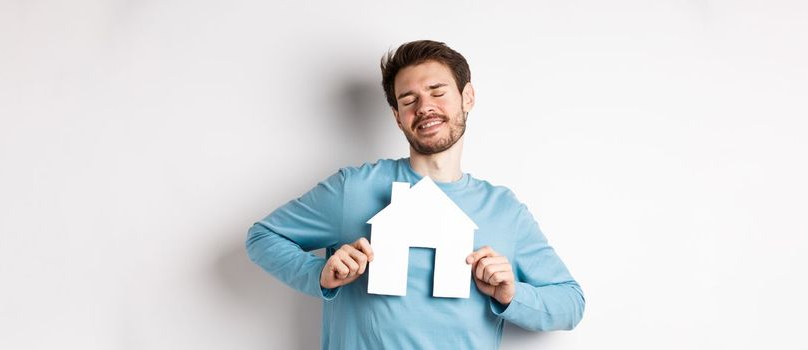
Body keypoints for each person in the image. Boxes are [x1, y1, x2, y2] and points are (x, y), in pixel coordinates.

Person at [245, 40, 585, 349]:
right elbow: (263, 237)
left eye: (437, 91)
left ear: (468, 97)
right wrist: (319, 275)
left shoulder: (504, 210)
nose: (424, 107)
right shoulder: (354, 189)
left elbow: (570, 303)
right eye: (409, 100)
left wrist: (512, 295)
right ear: (398, 117)